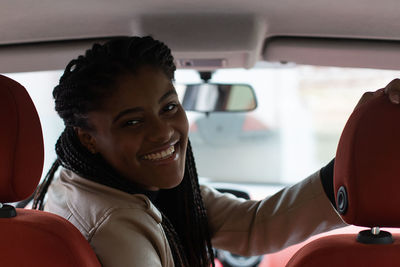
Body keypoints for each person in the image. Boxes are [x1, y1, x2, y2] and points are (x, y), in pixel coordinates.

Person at [33, 36, 400, 267]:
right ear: (88, 139)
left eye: (169, 108)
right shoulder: (113, 228)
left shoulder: (97, 183)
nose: (163, 132)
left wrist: (362, 161)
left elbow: (254, 227)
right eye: (132, 122)